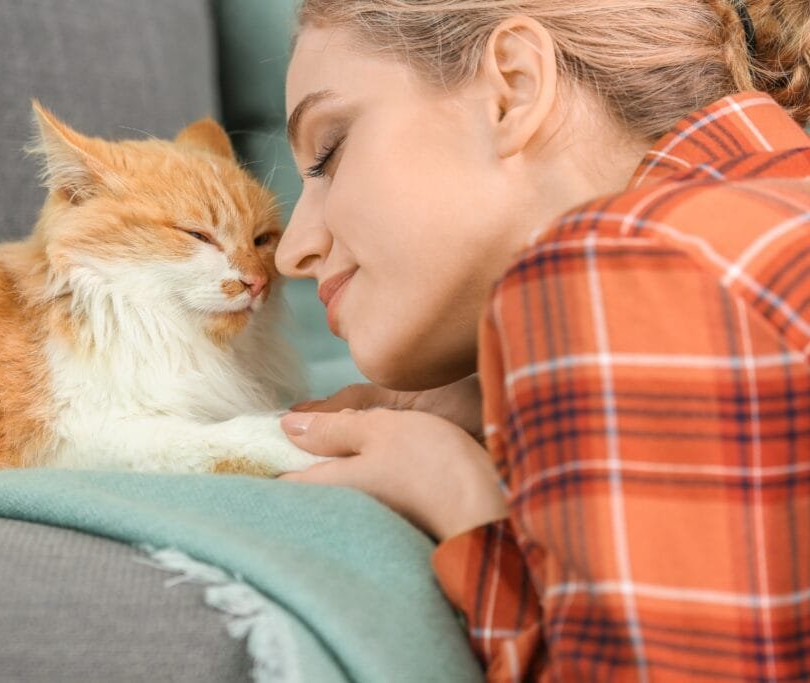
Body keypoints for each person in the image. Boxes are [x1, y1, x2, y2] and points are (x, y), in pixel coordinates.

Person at [273, 0, 810, 679]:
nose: (293, 249)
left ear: (514, 87)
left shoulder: (620, 263)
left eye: (328, 150)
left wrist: (460, 498)